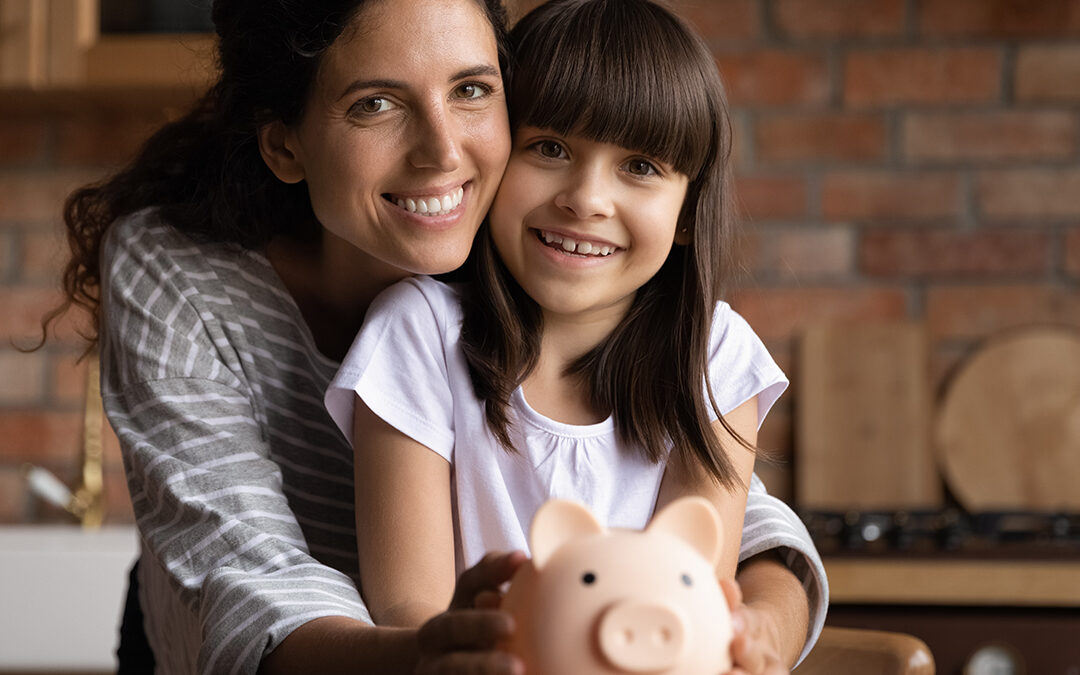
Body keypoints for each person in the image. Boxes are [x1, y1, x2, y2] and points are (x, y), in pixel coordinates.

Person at [46, 0, 825, 672]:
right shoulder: (187, 274)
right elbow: (251, 575)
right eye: (375, 104)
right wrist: (444, 649)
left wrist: (751, 627)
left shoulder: (538, 254)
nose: (444, 154)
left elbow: (679, 497)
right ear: (284, 143)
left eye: (472, 90)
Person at [326, 0, 827, 672]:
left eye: (641, 166)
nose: (586, 198)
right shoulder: (415, 335)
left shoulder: (715, 356)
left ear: (687, 210)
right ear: (499, 152)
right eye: (551, 148)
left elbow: (689, 596)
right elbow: (413, 608)